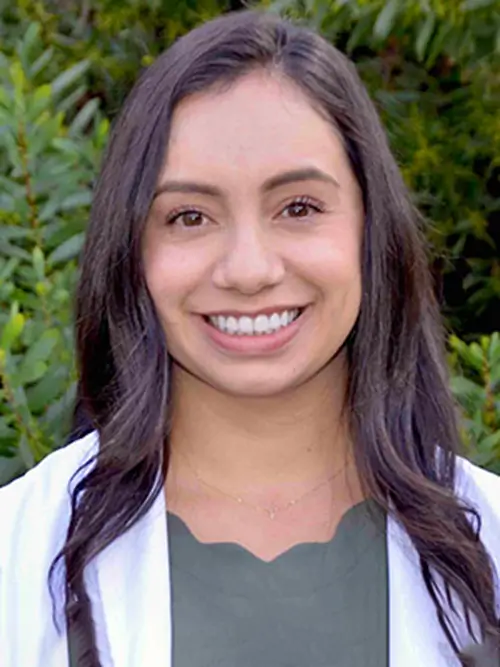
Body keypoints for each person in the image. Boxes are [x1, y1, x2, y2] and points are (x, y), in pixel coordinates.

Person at [0, 8, 499, 667]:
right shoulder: (16, 554)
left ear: (371, 230)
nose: (249, 270)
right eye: (189, 216)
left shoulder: (489, 542)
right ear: (131, 250)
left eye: (298, 207)